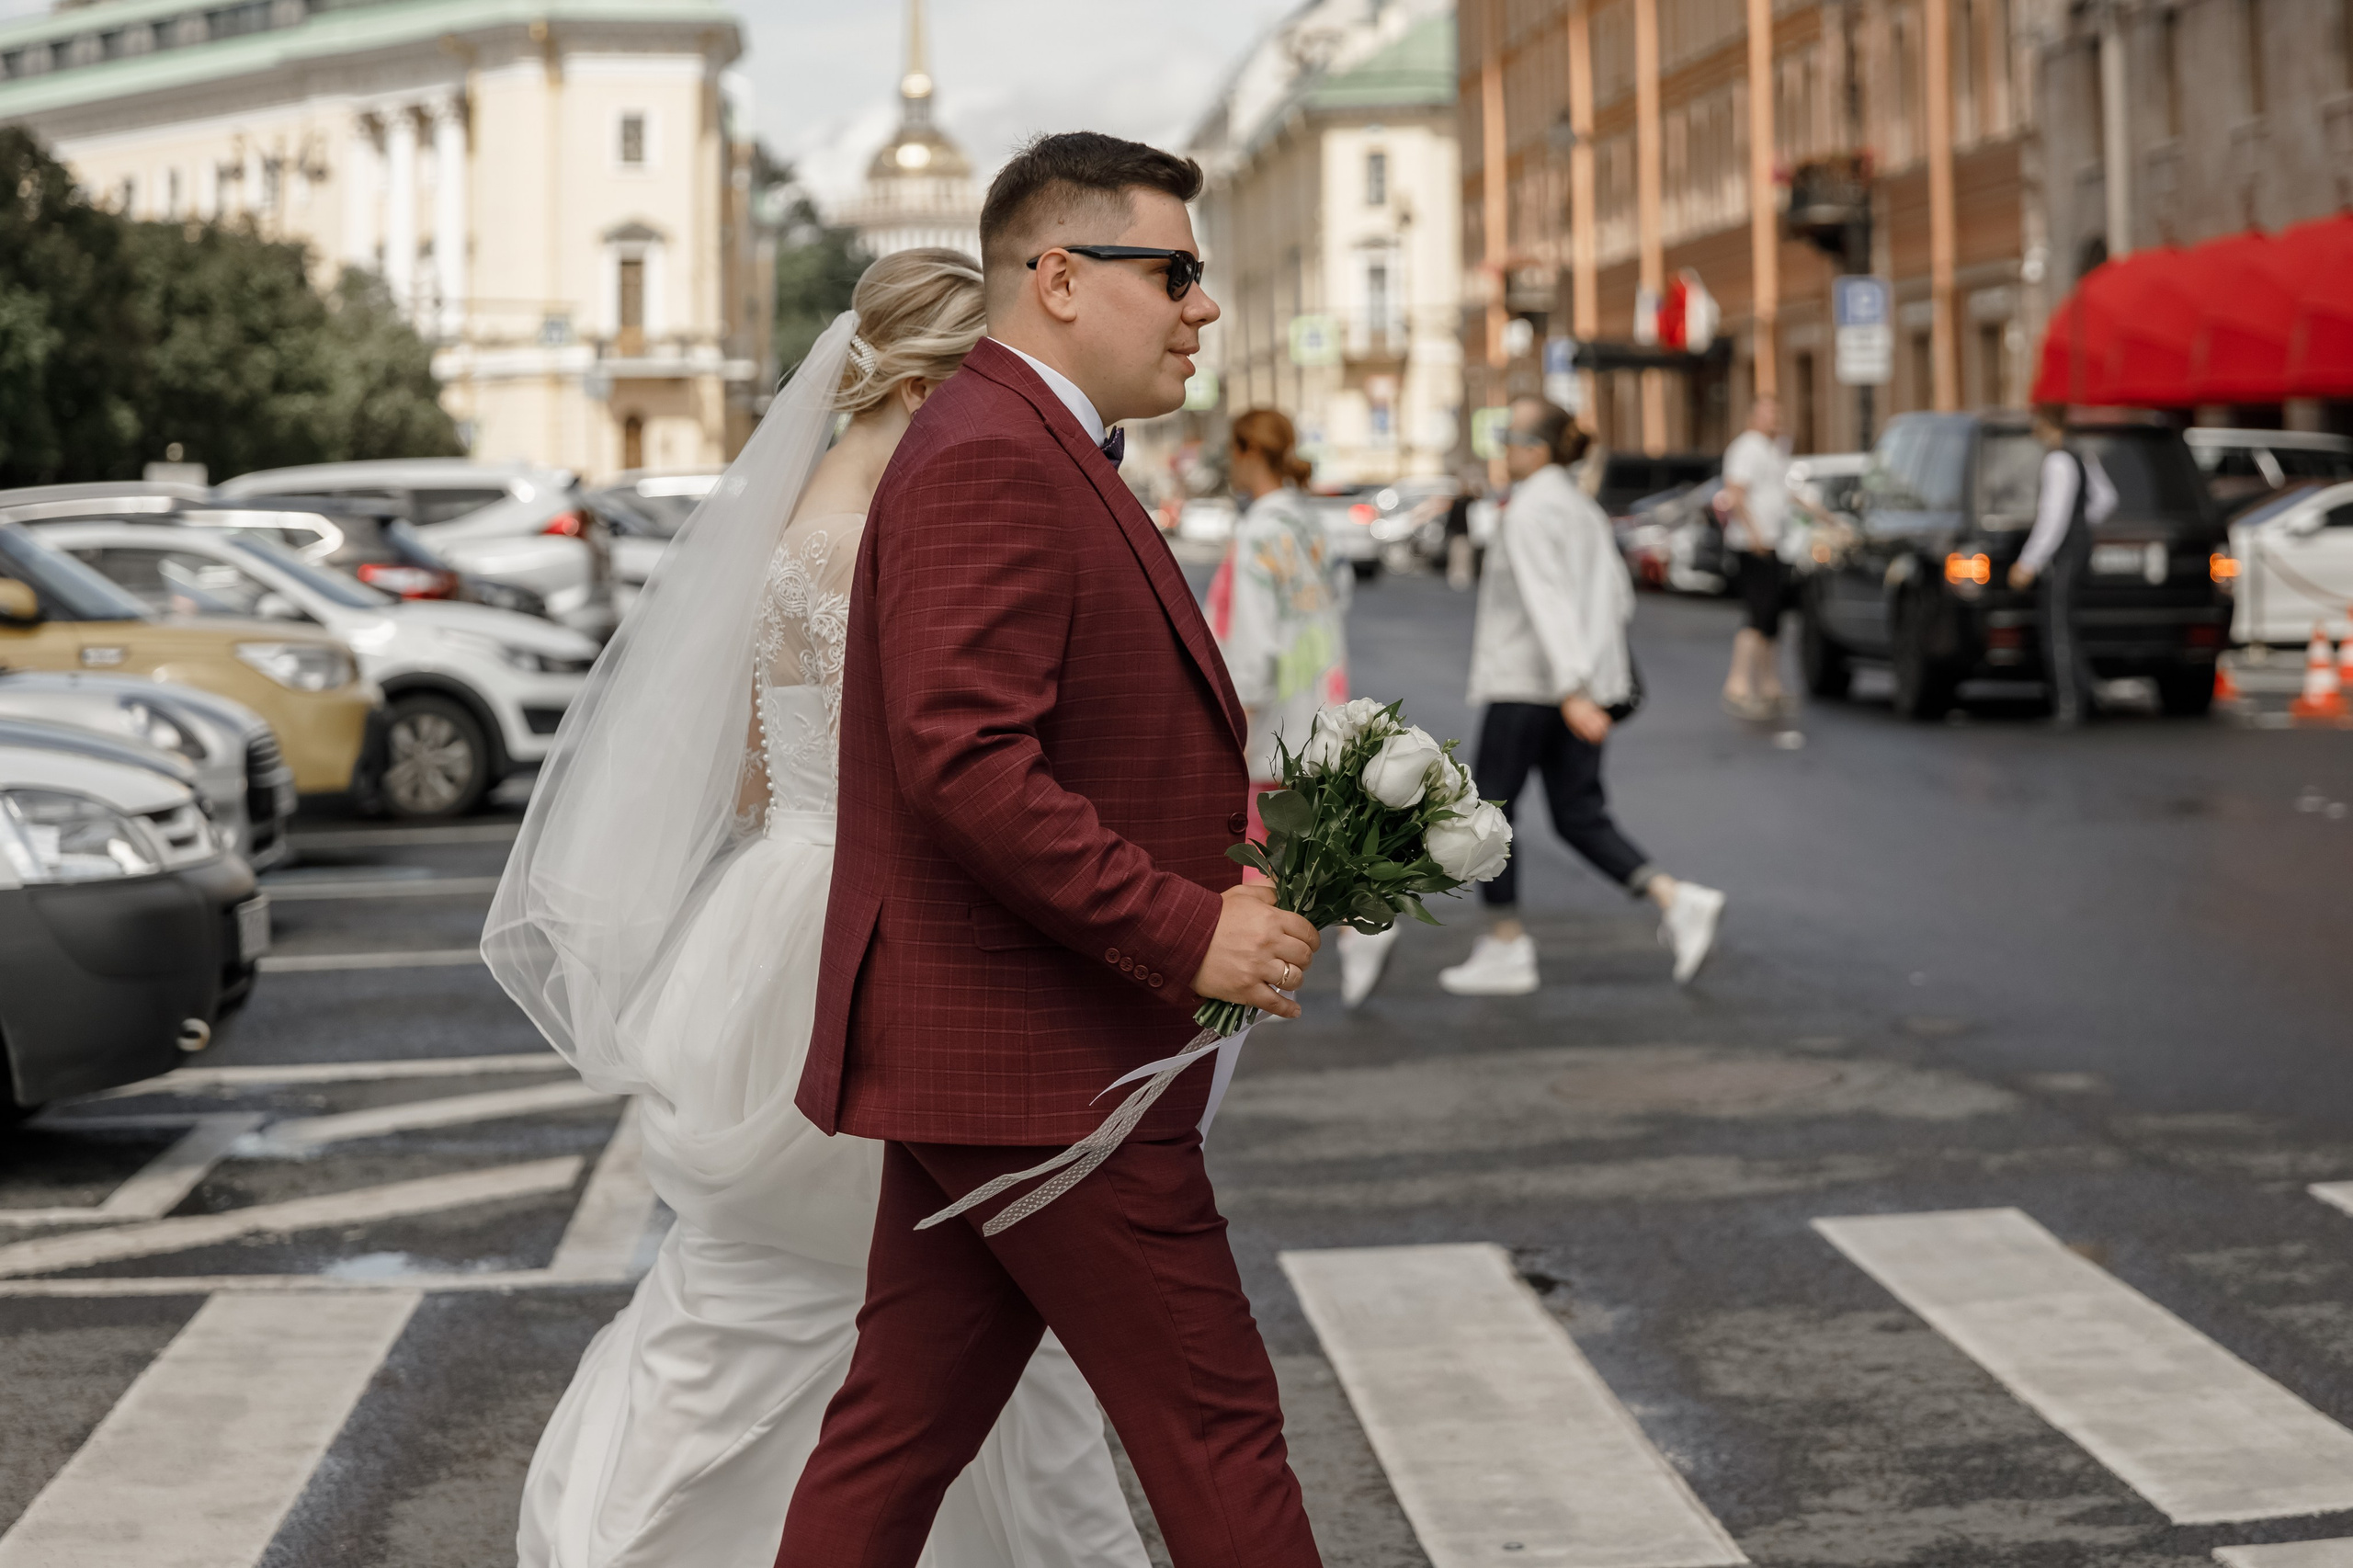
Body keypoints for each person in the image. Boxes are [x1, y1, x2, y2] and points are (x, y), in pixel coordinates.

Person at [483, 251, 1152, 1568]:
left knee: (779, 1283)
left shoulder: (787, 530)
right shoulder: (911, 539)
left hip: (775, 916)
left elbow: (743, 768)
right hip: (888, 929)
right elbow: (962, 770)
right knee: (966, 1269)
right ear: (915, 383)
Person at [779, 132, 1325, 1568]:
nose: (1205, 308)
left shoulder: (1021, 440)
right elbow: (964, 760)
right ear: (1063, 277)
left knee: (896, 1432)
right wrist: (1186, 926)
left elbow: (1086, 729)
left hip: (1003, 1054)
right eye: (1179, 273)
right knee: (1218, 1428)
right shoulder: (989, 454)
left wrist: (1247, 853)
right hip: (1047, 1063)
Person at [1439, 396, 1725, 996]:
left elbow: (1548, 602)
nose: (1501, 449)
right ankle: (1676, 899)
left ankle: (1507, 945)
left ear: (1537, 449)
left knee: (1487, 814)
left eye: (1508, 437)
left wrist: (1570, 688)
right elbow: (1616, 600)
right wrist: (1593, 683)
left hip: (1530, 684)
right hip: (1578, 687)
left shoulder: (1529, 511)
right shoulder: (1579, 508)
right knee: (1576, 815)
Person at [1210, 407, 1393, 1007]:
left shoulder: (1259, 529)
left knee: (1259, 841)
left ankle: (1257, 973)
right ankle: (1349, 927)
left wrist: (1238, 714)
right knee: (1301, 834)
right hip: (1317, 697)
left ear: (1245, 452)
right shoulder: (1309, 523)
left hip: (1272, 713)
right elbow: (1332, 603)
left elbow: (1252, 638)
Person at [2007, 403, 2117, 727]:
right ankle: (2089, 696)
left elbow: (2053, 518)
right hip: (2080, 547)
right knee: (2066, 624)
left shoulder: (2056, 461)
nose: (2032, 432)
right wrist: (2083, 523)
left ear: (2045, 424)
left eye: (2035, 424)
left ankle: (2069, 702)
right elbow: (2107, 498)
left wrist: (2029, 561)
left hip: (2065, 551)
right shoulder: (2081, 455)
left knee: (2055, 626)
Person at [1718, 393, 1794, 719]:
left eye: (1776, 412)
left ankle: (1769, 685)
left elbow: (1783, 493)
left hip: (1774, 542)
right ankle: (1737, 683)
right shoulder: (1746, 448)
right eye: (1767, 413)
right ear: (1753, 416)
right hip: (1753, 545)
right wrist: (1754, 535)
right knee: (1758, 612)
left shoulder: (1772, 450)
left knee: (1771, 618)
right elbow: (1735, 493)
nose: (1773, 419)